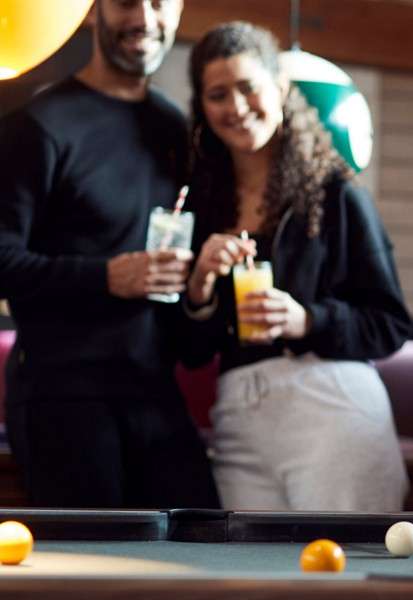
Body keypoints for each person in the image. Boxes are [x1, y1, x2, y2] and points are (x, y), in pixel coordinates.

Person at [181, 22, 411, 512]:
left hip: (331, 403)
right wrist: (199, 285)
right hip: (238, 412)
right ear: (202, 106)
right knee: (251, 581)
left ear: (279, 88)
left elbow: (390, 324)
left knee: (342, 579)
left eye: (249, 87)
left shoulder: (337, 194)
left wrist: (306, 319)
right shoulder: (199, 206)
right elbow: (190, 351)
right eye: (219, 94)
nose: (237, 107)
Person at [0, 0, 219, 509]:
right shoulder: (35, 125)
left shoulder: (177, 128)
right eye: (125, 2)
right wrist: (106, 277)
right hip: (61, 396)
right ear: (92, 11)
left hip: (157, 392)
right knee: (93, 574)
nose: (143, 17)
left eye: (159, 2)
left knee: (201, 552)